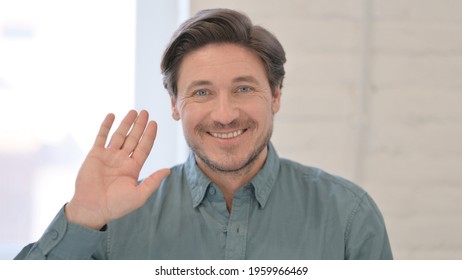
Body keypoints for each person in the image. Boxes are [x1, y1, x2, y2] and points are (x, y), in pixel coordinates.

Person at [15, 8, 392, 260]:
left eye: (244, 89)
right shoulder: (115, 218)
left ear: (275, 96)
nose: (225, 114)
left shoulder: (348, 215)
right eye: (202, 92)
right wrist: (82, 219)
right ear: (175, 104)